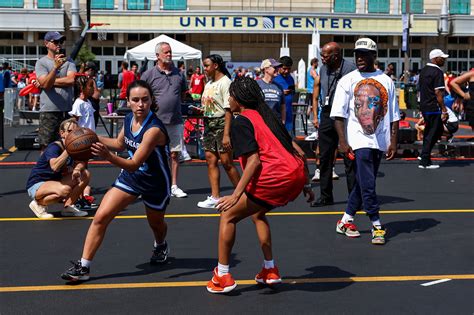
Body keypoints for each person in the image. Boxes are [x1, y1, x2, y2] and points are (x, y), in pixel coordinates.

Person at [206, 77, 315, 294]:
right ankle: (270, 269)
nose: (228, 100)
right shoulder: (268, 116)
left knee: (228, 215)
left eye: (230, 96)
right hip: (295, 175)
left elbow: (254, 161)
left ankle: (223, 276)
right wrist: (306, 184)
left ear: (238, 99)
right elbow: (298, 151)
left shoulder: (241, 121)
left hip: (274, 178)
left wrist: (236, 195)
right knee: (258, 214)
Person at [60, 80, 172, 281]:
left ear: (151, 101)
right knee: (101, 216)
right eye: (135, 100)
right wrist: (90, 136)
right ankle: (84, 267)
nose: (140, 104)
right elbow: (120, 144)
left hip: (155, 181)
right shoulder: (129, 118)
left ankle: (161, 244)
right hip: (132, 177)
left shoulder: (153, 129)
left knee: (156, 224)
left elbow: (134, 163)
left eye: (145, 100)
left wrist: (107, 156)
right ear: (128, 101)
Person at [331, 37, 399, 245]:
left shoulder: (386, 81)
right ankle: (376, 224)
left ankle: (345, 220)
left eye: (364, 54)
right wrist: (342, 141)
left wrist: (393, 140)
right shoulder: (347, 80)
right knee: (368, 184)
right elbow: (338, 114)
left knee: (363, 182)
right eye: (356, 54)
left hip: (380, 139)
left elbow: (394, 114)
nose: (359, 58)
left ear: (373, 56)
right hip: (358, 139)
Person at [311, 42, 357, 207]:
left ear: (336, 56)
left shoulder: (351, 69)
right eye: (322, 55)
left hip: (345, 115)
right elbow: (320, 93)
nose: (322, 58)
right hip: (327, 113)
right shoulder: (323, 69)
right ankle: (325, 195)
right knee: (324, 156)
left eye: (325, 55)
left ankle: (354, 198)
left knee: (348, 156)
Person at [141, 41, 188, 198]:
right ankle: (149, 184)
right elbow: (141, 96)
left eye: (170, 52)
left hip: (175, 120)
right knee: (149, 153)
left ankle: (173, 185)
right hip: (155, 122)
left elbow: (182, 94)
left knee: (174, 154)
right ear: (157, 56)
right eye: (166, 52)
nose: (169, 54)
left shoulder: (179, 74)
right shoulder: (148, 75)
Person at [196, 54, 241, 209]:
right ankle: (215, 197)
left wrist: (227, 134)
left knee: (227, 162)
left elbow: (229, 110)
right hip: (209, 123)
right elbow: (211, 105)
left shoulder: (225, 82)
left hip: (222, 124)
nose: (204, 69)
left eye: (207, 66)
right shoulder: (209, 83)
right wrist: (201, 110)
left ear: (216, 65)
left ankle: (242, 195)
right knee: (210, 159)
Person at [26, 119, 90, 218]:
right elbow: (55, 167)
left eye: (75, 132)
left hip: (55, 182)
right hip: (37, 183)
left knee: (85, 174)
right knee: (64, 190)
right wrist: (68, 149)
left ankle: (68, 207)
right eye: (69, 131)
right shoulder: (54, 147)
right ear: (62, 133)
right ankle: (37, 203)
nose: (73, 134)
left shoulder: (76, 147)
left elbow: (82, 162)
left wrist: (77, 169)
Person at [35, 31, 76, 150]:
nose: (59, 44)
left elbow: (71, 80)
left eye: (61, 41)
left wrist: (48, 81)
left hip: (66, 110)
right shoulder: (41, 62)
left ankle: (65, 168)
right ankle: (44, 169)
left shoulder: (69, 61)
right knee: (46, 146)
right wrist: (55, 68)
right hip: (49, 111)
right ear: (46, 43)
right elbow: (46, 85)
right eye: (56, 41)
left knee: (69, 145)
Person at [418, 49, 449, 169]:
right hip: (433, 106)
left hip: (425, 106)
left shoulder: (424, 70)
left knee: (433, 130)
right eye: (442, 58)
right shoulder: (437, 72)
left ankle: (424, 155)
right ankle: (425, 160)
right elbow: (438, 93)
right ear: (435, 59)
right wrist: (444, 109)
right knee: (433, 132)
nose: (444, 60)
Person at [256, 58, 285, 124]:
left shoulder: (279, 87)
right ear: (266, 69)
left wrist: (283, 122)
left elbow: (283, 107)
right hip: (261, 123)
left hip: (276, 124)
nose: (277, 69)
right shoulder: (257, 85)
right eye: (275, 67)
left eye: (278, 67)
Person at [273, 56, 295, 134]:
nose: (286, 71)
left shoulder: (291, 79)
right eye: (284, 69)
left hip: (288, 114)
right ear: (279, 67)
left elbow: (293, 93)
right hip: (277, 116)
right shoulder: (274, 79)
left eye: (289, 69)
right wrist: (282, 93)